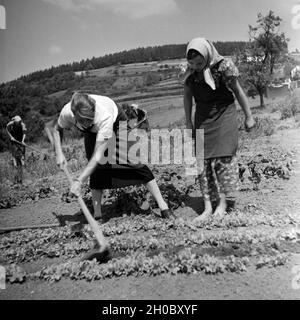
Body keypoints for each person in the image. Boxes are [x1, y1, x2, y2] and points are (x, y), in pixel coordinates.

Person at [51, 92, 174, 221]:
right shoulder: (67, 112)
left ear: (93, 111)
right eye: (83, 121)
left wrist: (78, 181)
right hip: (93, 132)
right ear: (75, 115)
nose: (86, 123)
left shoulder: (104, 115)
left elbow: (98, 156)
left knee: (134, 162)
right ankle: (97, 215)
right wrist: (59, 153)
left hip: (116, 122)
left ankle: (163, 207)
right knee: (97, 170)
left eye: (89, 119)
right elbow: (56, 129)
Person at [181, 38, 255, 222]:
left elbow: (238, 91)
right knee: (202, 162)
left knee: (223, 158)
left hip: (224, 115)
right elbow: (187, 98)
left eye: (200, 63)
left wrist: (249, 116)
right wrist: (189, 123)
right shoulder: (189, 72)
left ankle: (222, 204)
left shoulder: (224, 66)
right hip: (203, 118)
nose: (197, 67)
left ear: (207, 55)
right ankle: (207, 207)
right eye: (193, 63)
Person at [6, 115, 27, 184]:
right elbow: (7, 130)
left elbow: (24, 133)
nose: (19, 122)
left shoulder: (22, 125)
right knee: (15, 159)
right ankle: (16, 180)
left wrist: (23, 141)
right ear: (14, 121)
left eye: (19, 121)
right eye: (17, 122)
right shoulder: (10, 124)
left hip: (20, 141)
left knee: (22, 158)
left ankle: (24, 179)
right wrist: (11, 137)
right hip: (13, 142)